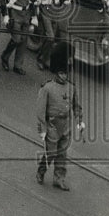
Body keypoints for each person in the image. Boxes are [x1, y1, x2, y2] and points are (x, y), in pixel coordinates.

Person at [36, 43, 84, 191]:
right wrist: (42, 129)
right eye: (62, 73)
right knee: (51, 153)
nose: (64, 76)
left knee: (62, 154)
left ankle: (59, 178)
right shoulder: (47, 88)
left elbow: (76, 105)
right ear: (56, 72)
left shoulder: (71, 87)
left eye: (66, 73)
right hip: (52, 126)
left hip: (66, 126)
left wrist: (79, 120)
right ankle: (41, 170)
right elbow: (40, 111)